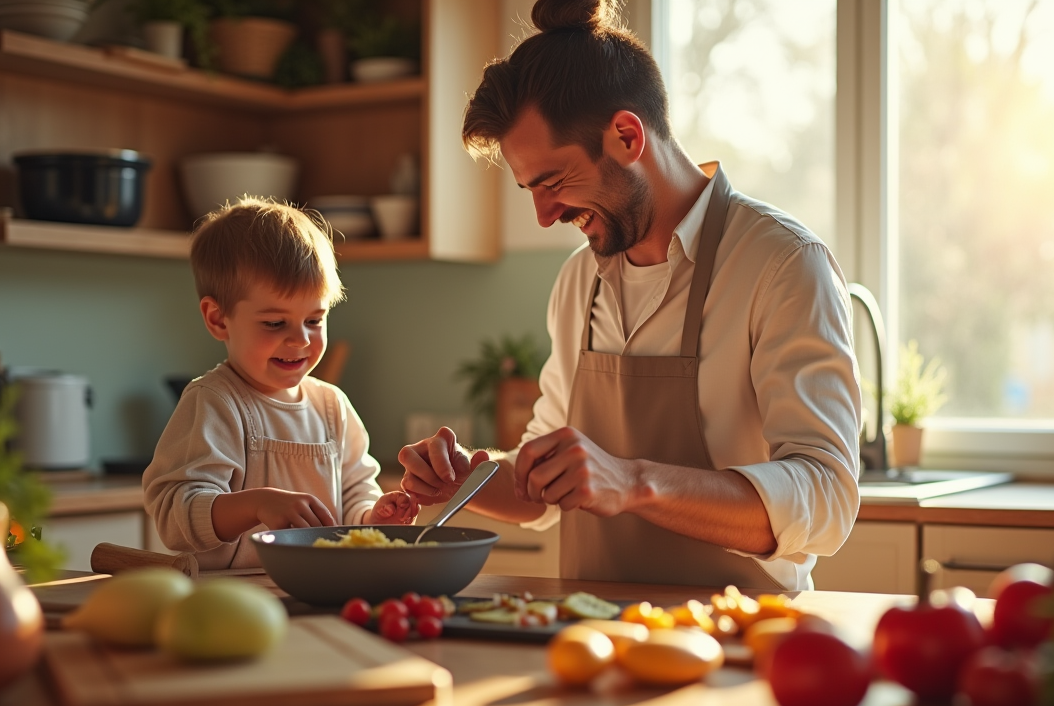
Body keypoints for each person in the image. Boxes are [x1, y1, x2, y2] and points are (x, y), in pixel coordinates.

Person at [398, 0, 860, 592]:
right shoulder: (577, 282)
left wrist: (635, 481)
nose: (543, 216)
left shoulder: (781, 264)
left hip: (743, 641)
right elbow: (543, 483)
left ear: (625, 135)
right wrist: (465, 479)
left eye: (554, 182)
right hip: (588, 644)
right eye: (529, 190)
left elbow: (826, 500)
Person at [144, 198, 417, 570]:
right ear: (219, 319)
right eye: (275, 323)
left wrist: (374, 517)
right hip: (232, 602)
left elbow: (354, 491)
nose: (301, 340)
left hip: (320, 591)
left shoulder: (332, 406)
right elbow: (176, 516)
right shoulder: (214, 403)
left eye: (315, 320)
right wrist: (258, 504)